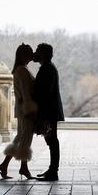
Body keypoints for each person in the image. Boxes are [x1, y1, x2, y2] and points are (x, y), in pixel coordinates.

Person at [0, 43, 37, 180]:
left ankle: (5, 165)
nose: (33, 54)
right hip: (25, 109)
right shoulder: (22, 71)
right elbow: (25, 93)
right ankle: (23, 168)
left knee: (20, 137)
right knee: (25, 137)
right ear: (24, 55)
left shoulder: (20, 69)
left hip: (22, 108)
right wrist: (29, 109)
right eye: (30, 52)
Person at [32, 43, 64, 181]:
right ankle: (52, 170)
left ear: (44, 54)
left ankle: (53, 171)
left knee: (52, 140)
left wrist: (41, 115)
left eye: (37, 51)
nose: (35, 53)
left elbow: (44, 93)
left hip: (48, 112)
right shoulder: (48, 67)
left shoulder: (47, 69)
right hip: (50, 111)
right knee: (51, 140)